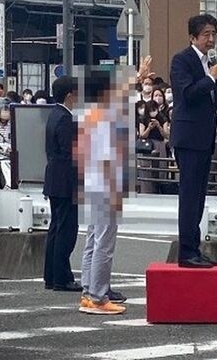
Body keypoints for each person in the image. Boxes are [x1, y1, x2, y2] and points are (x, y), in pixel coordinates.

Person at [169, 14, 217, 268]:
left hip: (204, 138)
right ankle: (186, 252)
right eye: (206, 34)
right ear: (193, 37)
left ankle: (195, 247)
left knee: (199, 196)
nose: (211, 39)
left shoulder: (208, 63)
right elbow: (188, 94)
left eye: (214, 34)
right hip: (188, 137)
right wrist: (211, 78)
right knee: (189, 196)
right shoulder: (182, 60)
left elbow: (213, 101)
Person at [77, 74, 129, 315]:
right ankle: (98, 297)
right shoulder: (104, 117)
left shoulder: (90, 114)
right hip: (106, 183)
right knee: (104, 244)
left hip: (92, 182)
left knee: (93, 240)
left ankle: (89, 292)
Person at [43, 76, 82, 291]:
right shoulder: (66, 119)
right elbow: (71, 153)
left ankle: (51, 275)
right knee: (66, 230)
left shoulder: (54, 114)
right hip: (66, 181)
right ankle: (62, 277)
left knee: (56, 228)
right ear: (69, 95)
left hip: (54, 179)